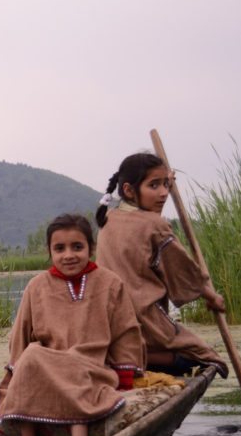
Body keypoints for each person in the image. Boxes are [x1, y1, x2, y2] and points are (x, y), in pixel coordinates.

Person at [0, 214, 144, 436]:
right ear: (49, 252)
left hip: (92, 367)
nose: (68, 255)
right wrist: (14, 374)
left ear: (91, 248)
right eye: (59, 249)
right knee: (31, 355)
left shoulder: (109, 283)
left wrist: (125, 375)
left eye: (77, 247)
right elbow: (21, 334)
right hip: (44, 370)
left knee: (72, 361)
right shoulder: (36, 286)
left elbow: (126, 332)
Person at [95, 152, 229, 377]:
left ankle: (124, 354)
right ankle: (141, 357)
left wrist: (162, 181)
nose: (164, 193)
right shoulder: (154, 225)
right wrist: (211, 296)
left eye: (166, 185)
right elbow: (182, 272)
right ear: (129, 190)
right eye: (154, 186)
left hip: (109, 324)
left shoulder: (108, 218)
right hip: (143, 322)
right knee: (205, 358)